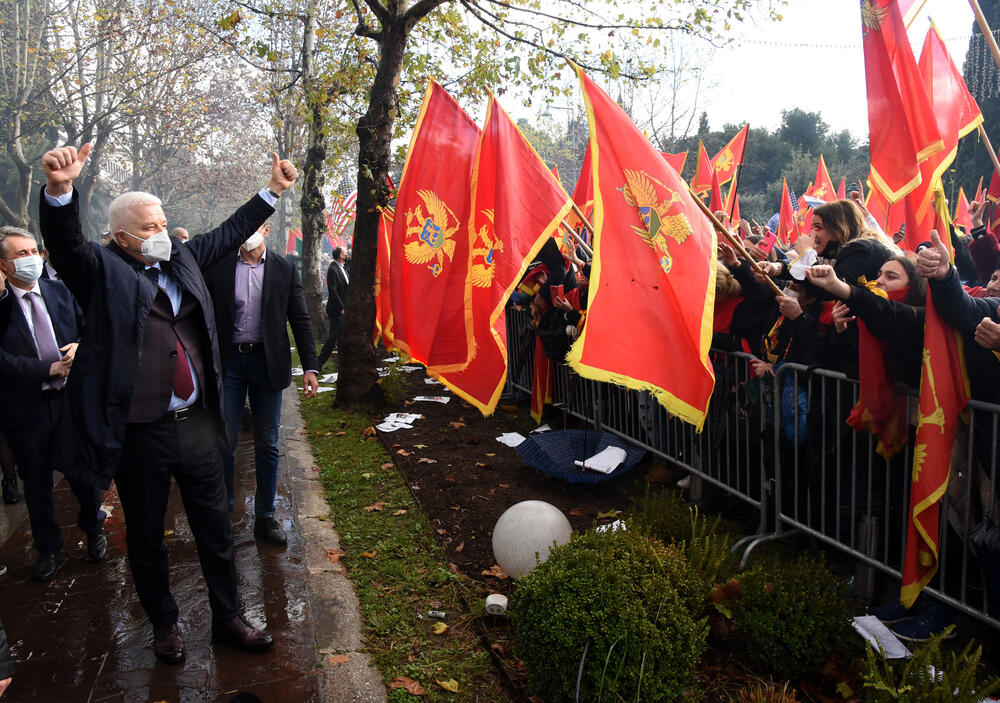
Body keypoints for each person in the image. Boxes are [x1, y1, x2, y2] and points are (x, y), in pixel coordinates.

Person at [38, 143, 297, 664]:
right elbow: (66, 246)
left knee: (215, 528)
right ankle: (164, 624)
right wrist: (61, 192)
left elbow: (229, 231)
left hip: (198, 424)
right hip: (141, 432)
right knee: (146, 536)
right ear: (121, 237)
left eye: (162, 222)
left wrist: (273, 190)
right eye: (148, 227)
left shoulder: (183, 256)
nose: (160, 232)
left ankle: (228, 617)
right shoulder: (100, 269)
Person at [0, 227, 107, 581]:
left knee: (83, 475)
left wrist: (79, 345)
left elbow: (90, 327)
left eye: (34, 251)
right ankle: (47, 548)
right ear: (3, 265)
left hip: (68, 402)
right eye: (21, 254)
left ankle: (94, 528)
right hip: (27, 408)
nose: (32, 258)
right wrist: (45, 369)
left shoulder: (59, 291)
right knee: (36, 483)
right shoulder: (2, 306)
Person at [205, 223, 319, 544]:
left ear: (266, 230)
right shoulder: (220, 266)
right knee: (224, 440)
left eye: (254, 227)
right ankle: (225, 511)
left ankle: (265, 516)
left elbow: (300, 318)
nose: (247, 234)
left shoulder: (283, 268)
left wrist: (310, 367)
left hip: (267, 364)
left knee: (267, 442)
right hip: (230, 362)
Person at [317, 245, 349, 370]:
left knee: (342, 338)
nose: (347, 253)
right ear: (340, 255)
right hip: (336, 310)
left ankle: (343, 364)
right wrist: (342, 307)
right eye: (345, 252)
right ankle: (318, 364)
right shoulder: (333, 269)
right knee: (333, 338)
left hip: (344, 308)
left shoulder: (345, 267)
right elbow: (333, 291)